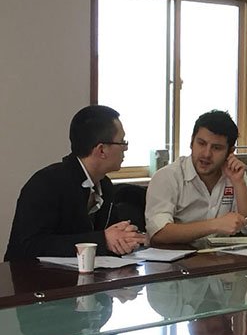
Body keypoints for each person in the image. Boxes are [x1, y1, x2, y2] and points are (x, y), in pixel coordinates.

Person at [4, 105, 144, 260]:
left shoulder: (105, 185)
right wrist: (102, 240)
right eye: (122, 142)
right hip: (31, 274)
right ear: (101, 150)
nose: (125, 148)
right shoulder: (46, 183)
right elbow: (30, 246)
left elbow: (110, 238)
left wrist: (125, 238)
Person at [145, 110, 247, 245]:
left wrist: (239, 183)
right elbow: (158, 233)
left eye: (216, 148)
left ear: (230, 152)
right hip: (179, 256)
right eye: (201, 143)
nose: (206, 154)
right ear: (191, 142)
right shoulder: (167, 176)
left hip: (221, 255)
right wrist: (215, 225)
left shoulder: (234, 174)